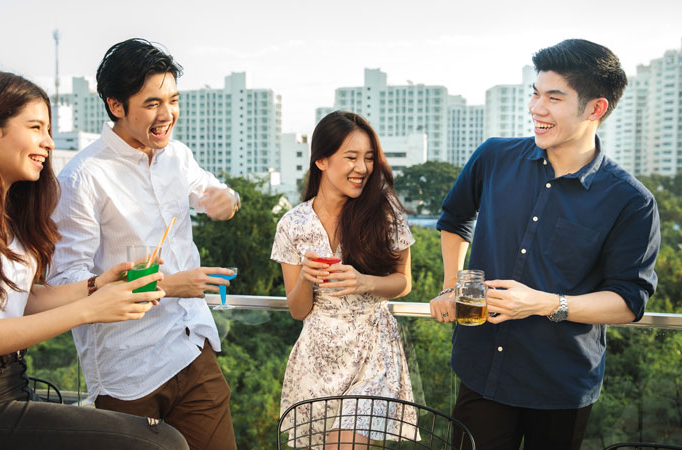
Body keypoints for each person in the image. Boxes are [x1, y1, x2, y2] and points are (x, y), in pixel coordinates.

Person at [0, 70, 189, 450]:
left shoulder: (1, 213)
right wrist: (90, 311)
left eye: (49, 130)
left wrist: (97, 285)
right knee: (160, 443)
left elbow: (25, 299)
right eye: (36, 127)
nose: (49, 143)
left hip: (8, 387)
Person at [429, 39, 660, 450]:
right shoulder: (494, 157)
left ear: (596, 108)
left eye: (553, 98)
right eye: (535, 94)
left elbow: (629, 301)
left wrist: (544, 303)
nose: (536, 108)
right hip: (481, 369)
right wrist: (452, 284)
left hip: (561, 386)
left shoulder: (631, 201)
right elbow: (454, 219)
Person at [47, 38, 239, 450]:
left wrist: (226, 200)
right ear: (116, 105)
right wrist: (168, 286)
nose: (167, 115)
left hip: (190, 346)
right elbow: (68, 281)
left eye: (173, 99)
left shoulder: (177, 157)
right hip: (127, 369)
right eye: (153, 103)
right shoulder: (83, 178)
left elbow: (214, 193)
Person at [271, 111, 418, 448]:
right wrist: (306, 278)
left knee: (346, 443)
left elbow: (403, 282)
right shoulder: (292, 225)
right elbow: (297, 310)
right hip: (317, 357)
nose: (363, 168)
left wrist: (364, 282)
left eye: (368, 158)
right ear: (321, 160)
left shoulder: (385, 212)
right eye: (351, 157)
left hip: (374, 353)